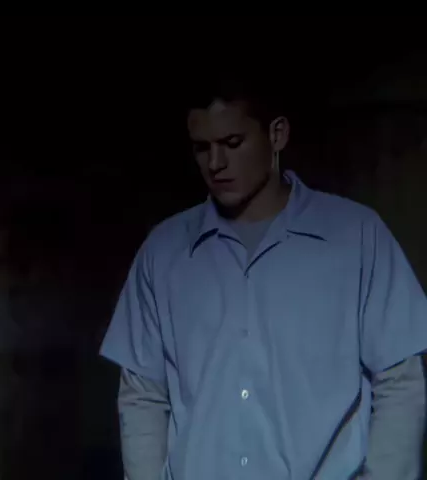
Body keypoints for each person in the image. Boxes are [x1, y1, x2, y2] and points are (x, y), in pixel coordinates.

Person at [100, 72, 427, 480]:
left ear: (277, 135)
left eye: (232, 143)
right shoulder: (163, 251)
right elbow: (143, 395)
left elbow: (400, 381)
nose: (215, 164)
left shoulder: (358, 236)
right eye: (202, 148)